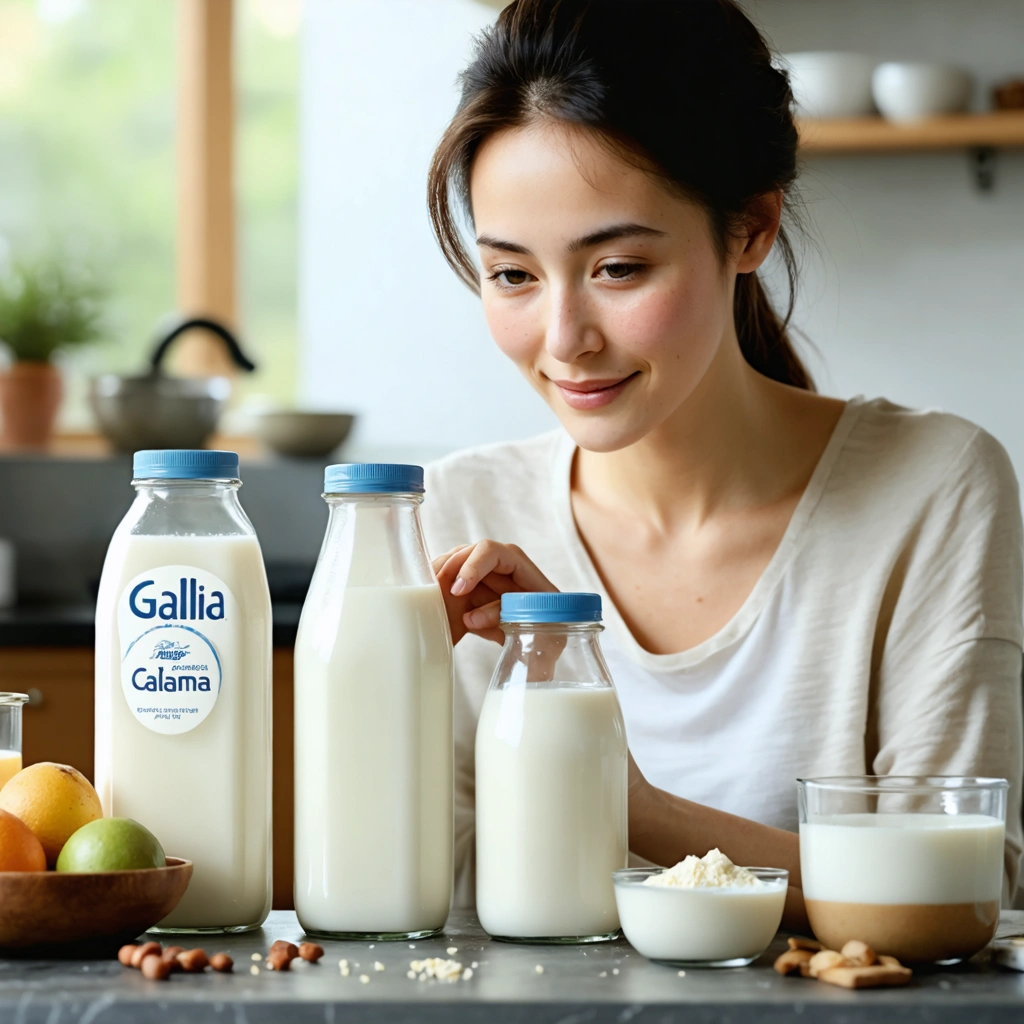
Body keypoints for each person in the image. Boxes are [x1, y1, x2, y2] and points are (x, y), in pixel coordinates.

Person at [420, 0, 1024, 926]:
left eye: (617, 268)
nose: (565, 338)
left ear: (749, 229)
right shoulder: (464, 508)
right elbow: (439, 900)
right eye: (513, 275)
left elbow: (959, 892)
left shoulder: (933, 487)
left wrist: (625, 801)